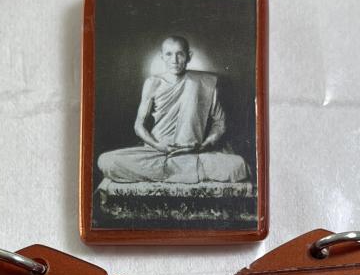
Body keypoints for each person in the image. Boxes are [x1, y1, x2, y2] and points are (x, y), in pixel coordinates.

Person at [97, 35, 249, 184]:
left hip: (193, 152)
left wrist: (205, 145)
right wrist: (158, 146)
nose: (174, 60)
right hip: (158, 152)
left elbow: (220, 123)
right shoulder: (153, 83)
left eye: (180, 54)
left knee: (239, 166)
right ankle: (185, 171)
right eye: (169, 54)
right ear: (162, 56)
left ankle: (169, 171)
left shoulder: (205, 83)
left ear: (189, 56)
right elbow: (138, 126)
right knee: (107, 161)